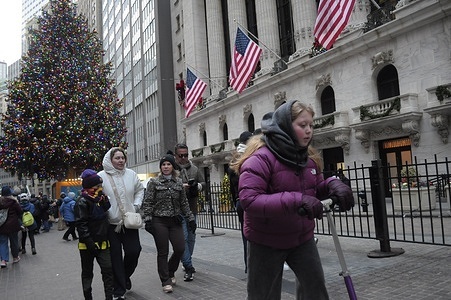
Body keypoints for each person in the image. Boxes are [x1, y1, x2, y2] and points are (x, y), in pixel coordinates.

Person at [231, 100, 354, 300]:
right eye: (302, 125)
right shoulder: (260, 159)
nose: (308, 131)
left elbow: (314, 188)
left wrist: (332, 184)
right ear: (286, 126)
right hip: (265, 241)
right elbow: (250, 200)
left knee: (315, 291)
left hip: (301, 238)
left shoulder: (307, 158)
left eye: (311, 126)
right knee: (263, 296)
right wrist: (297, 200)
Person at [142, 154, 196, 293]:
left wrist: (190, 218)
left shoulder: (178, 182)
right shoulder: (154, 182)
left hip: (175, 220)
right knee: (163, 251)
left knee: (180, 248)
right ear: (161, 167)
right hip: (159, 220)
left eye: (168, 164)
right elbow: (147, 202)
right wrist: (148, 219)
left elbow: (183, 203)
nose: (166, 167)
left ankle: (170, 271)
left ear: (173, 167)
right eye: (163, 164)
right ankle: (165, 281)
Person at [98, 147, 144, 300]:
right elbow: (96, 196)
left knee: (134, 251)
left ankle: (124, 276)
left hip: (129, 222)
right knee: (115, 257)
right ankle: (119, 289)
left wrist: (137, 205)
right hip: (111, 224)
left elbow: (139, 190)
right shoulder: (101, 176)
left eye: (122, 157)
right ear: (110, 160)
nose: (121, 160)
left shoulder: (131, 174)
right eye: (117, 158)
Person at [74, 169, 113, 300]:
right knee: (87, 273)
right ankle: (88, 297)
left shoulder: (99, 199)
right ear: (89, 187)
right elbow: (81, 224)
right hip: (87, 246)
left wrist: (105, 201)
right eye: (97, 186)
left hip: (103, 243)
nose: (100, 188)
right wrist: (89, 242)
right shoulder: (82, 201)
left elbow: (106, 210)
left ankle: (109, 297)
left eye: (100, 186)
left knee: (108, 270)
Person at [174, 143, 205, 282]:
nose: (184, 158)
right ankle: (188, 266)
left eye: (186, 155)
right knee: (184, 238)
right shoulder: (171, 168)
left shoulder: (195, 169)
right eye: (181, 155)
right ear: (176, 156)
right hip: (178, 210)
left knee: (191, 237)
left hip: (192, 208)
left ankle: (187, 260)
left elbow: (204, 184)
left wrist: (197, 187)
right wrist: (181, 187)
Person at [228, 130, 253, 273]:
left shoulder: (234, 160)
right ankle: (254, 265)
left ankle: (248, 266)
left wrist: (235, 201)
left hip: (239, 201)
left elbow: (232, 188)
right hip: (249, 200)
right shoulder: (249, 157)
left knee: (246, 235)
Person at [0, 186, 23, 268]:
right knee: (14, 242)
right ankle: (15, 257)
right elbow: (20, 212)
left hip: (1, 225)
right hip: (13, 225)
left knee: (2, 243)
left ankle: (3, 260)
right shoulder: (14, 202)